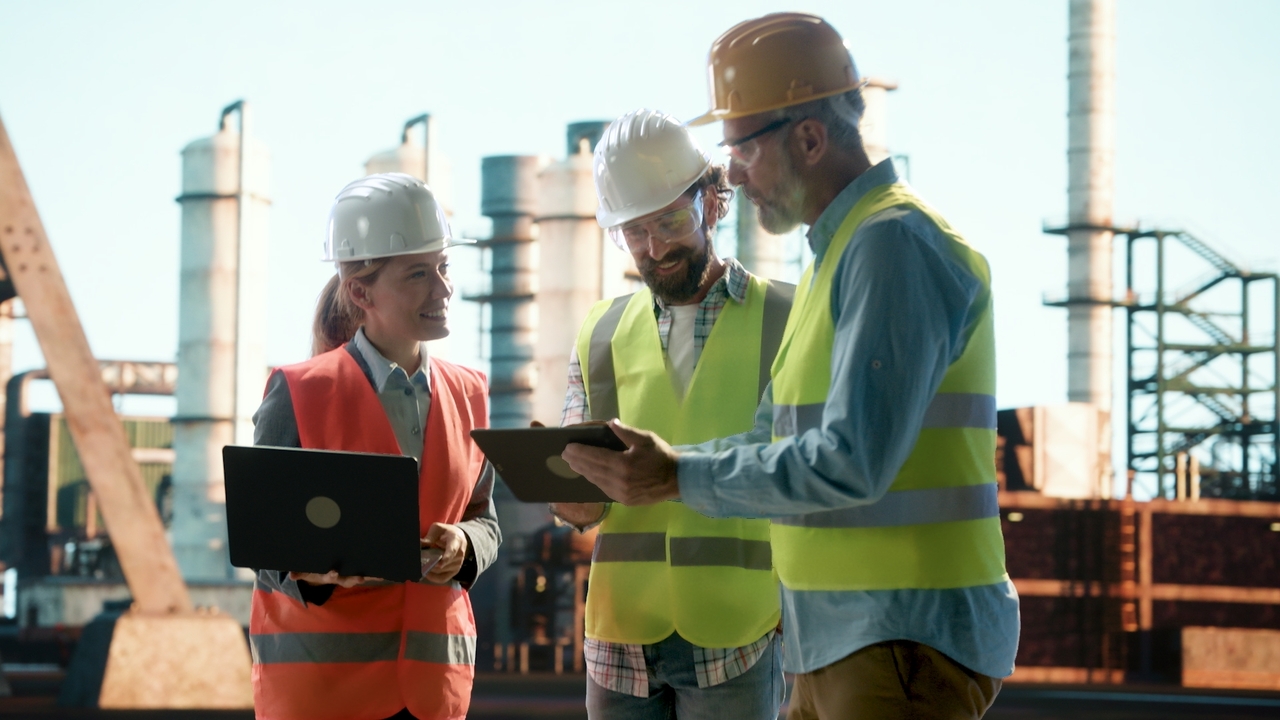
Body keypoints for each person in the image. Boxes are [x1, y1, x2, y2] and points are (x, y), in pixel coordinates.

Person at [562, 14, 1019, 720]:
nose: (735, 177)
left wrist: (679, 473)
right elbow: (776, 437)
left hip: (900, 636)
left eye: (741, 150)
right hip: (838, 641)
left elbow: (853, 462)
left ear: (809, 136)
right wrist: (662, 466)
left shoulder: (890, 245)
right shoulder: (836, 261)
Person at [550, 109, 793, 720]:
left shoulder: (786, 318)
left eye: (669, 220)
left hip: (740, 632)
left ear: (712, 202)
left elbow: (807, 473)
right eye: (634, 232)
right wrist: (567, 497)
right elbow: (584, 501)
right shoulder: (600, 332)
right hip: (619, 637)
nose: (654, 248)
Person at [249, 173, 501, 720]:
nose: (443, 289)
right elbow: (263, 545)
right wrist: (311, 572)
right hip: (323, 690)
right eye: (418, 274)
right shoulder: (298, 392)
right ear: (361, 292)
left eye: (444, 268)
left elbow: (487, 521)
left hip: (435, 689)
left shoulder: (470, 392)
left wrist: (464, 543)